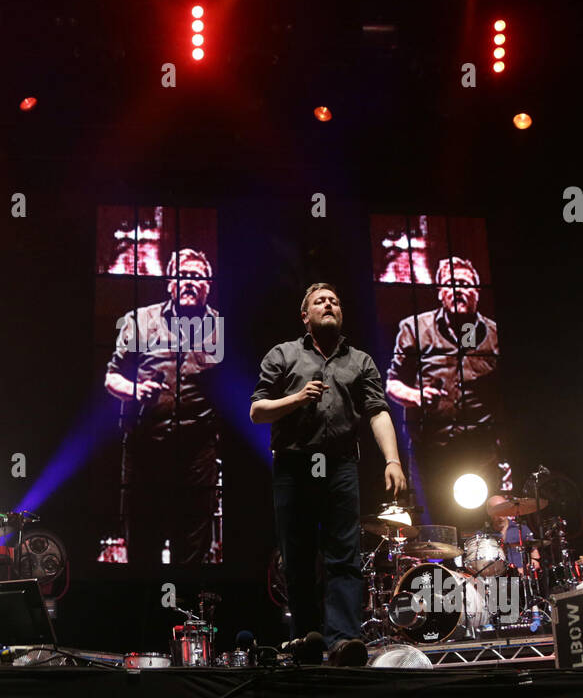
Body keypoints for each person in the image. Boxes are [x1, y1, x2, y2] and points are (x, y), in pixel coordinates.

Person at [251, 283, 407, 666]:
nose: (329, 305)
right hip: (293, 464)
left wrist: (393, 460)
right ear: (305, 316)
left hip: (340, 466)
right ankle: (306, 638)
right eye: (320, 301)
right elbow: (258, 411)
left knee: (344, 555)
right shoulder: (283, 354)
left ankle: (344, 640)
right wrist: (297, 398)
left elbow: (377, 410)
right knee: (298, 557)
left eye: (335, 301)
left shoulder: (361, 361)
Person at [104, 248, 222, 571]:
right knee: (143, 548)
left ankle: (184, 618)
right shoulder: (140, 321)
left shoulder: (218, 328)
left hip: (197, 455)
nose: (190, 282)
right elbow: (111, 377)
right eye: (183, 275)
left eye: (198, 277)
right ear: (170, 282)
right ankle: (144, 618)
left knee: (193, 552)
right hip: (146, 451)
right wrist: (135, 391)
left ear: (208, 286)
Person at [386, 257, 503, 530]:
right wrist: (416, 396)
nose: (456, 290)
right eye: (448, 285)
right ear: (440, 292)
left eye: (464, 284)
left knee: (479, 528)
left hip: (480, 452)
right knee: (434, 526)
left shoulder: (495, 334)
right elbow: (392, 384)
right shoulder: (414, 328)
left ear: (477, 291)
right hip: (430, 451)